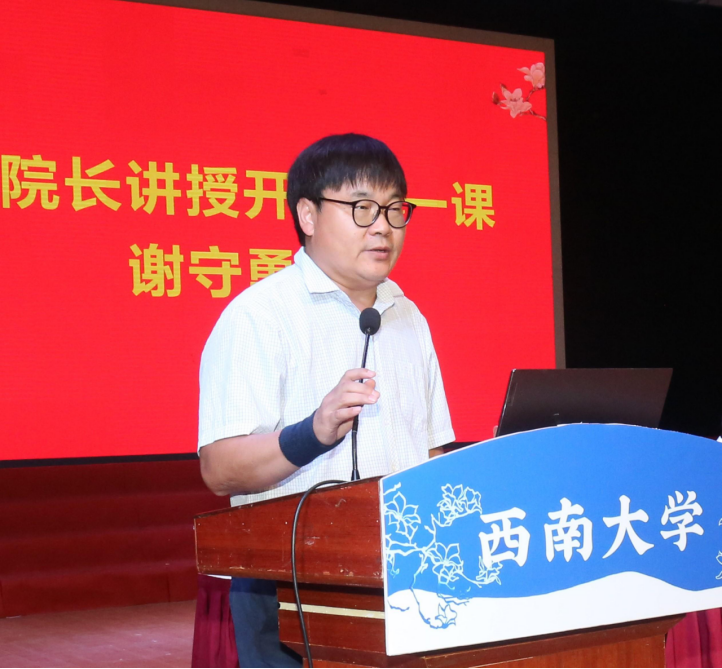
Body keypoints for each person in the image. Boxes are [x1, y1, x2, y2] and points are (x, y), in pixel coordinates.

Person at [198, 133, 455, 667]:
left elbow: (430, 451)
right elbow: (220, 469)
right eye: (361, 208)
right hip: (287, 583)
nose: (382, 226)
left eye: (394, 209)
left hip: (405, 577)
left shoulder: (408, 316)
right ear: (308, 215)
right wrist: (312, 432)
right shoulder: (259, 316)